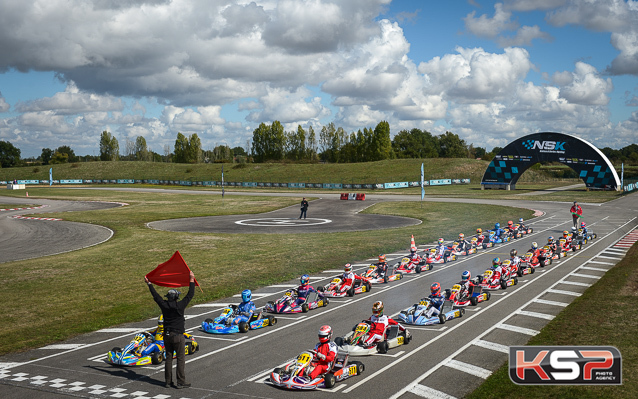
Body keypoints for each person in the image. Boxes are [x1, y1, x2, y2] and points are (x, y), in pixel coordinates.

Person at [145, 271, 196, 389]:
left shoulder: (164, 305)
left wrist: (149, 284)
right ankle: (181, 382)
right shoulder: (180, 306)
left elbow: (156, 296)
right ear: (176, 298)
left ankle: (168, 382)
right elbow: (190, 295)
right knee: (180, 359)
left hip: (166, 336)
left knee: (168, 359)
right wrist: (191, 279)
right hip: (178, 336)